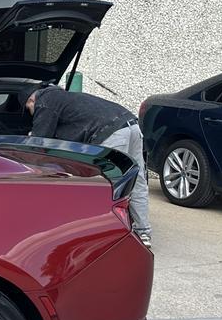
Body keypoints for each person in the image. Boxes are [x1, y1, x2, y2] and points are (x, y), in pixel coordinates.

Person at [25, 85, 152, 248]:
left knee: (111, 187)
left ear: (31, 100)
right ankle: (143, 232)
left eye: (28, 108)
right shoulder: (65, 98)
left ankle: (113, 236)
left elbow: (39, 142)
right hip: (131, 124)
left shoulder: (44, 101)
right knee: (137, 182)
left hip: (112, 133)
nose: (30, 112)